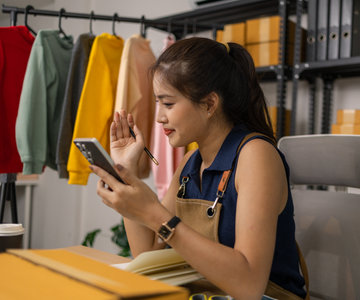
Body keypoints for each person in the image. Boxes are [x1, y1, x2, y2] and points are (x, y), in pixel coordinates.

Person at [90, 37, 307, 300]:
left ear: (209, 104)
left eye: (168, 103)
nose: (159, 117)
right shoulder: (190, 161)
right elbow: (148, 255)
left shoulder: (256, 156)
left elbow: (250, 286)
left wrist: (154, 212)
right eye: (158, 103)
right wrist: (126, 174)